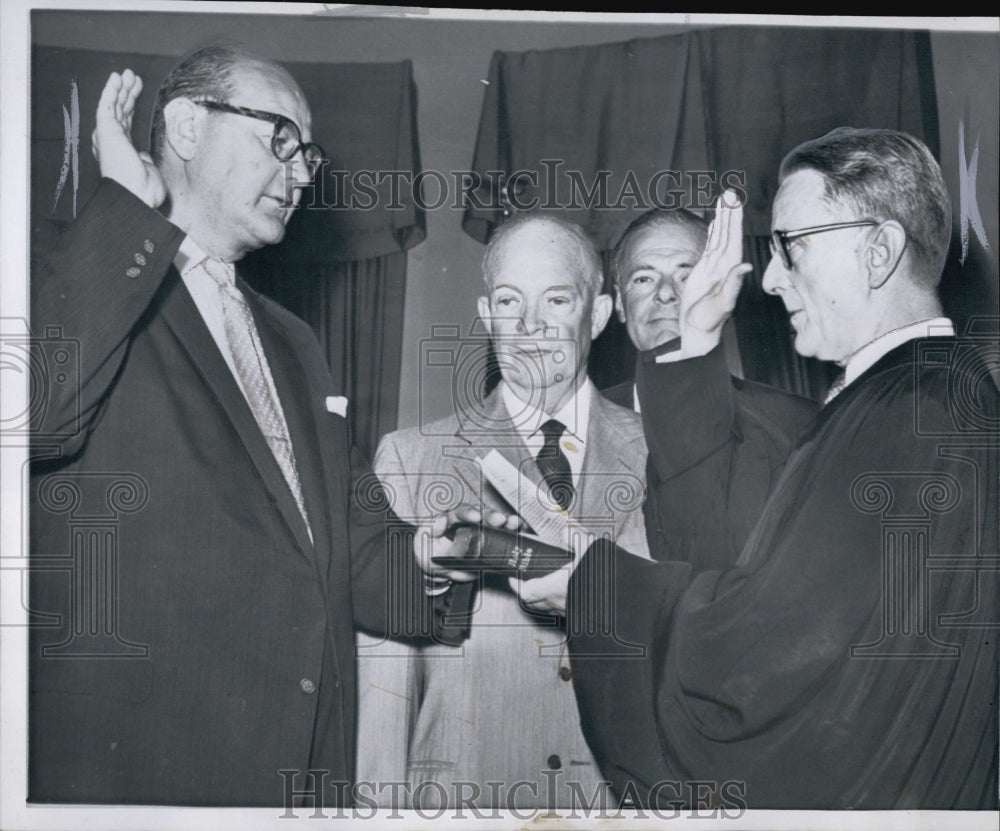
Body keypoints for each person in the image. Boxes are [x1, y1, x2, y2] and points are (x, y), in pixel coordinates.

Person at [28, 46, 506, 807]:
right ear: (187, 126)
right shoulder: (58, 260)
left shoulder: (297, 343)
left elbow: (347, 540)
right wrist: (124, 205)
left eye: (308, 152)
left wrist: (427, 555)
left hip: (300, 774)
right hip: (140, 777)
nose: (305, 172)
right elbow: (37, 415)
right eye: (280, 138)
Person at [515, 128, 999, 809]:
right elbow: (741, 577)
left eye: (792, 247)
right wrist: (696, 343)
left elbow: (763, 658)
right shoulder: (923, 398)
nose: (769, 280)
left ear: (879, 250)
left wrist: (595, 585)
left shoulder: (908, 416)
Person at [356, 214, 650, 809]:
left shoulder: (664, 457)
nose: (532, 326)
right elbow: (384, 695)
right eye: (511, 302)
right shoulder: (411, 459)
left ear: (596, 315)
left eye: (557, 299)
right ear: (488, 317)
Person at [605, 207, 816, 571]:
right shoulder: (570, 427)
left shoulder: (801, 429)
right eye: (643, 278)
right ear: (620, 304)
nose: (667, 294)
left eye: (688, 276)